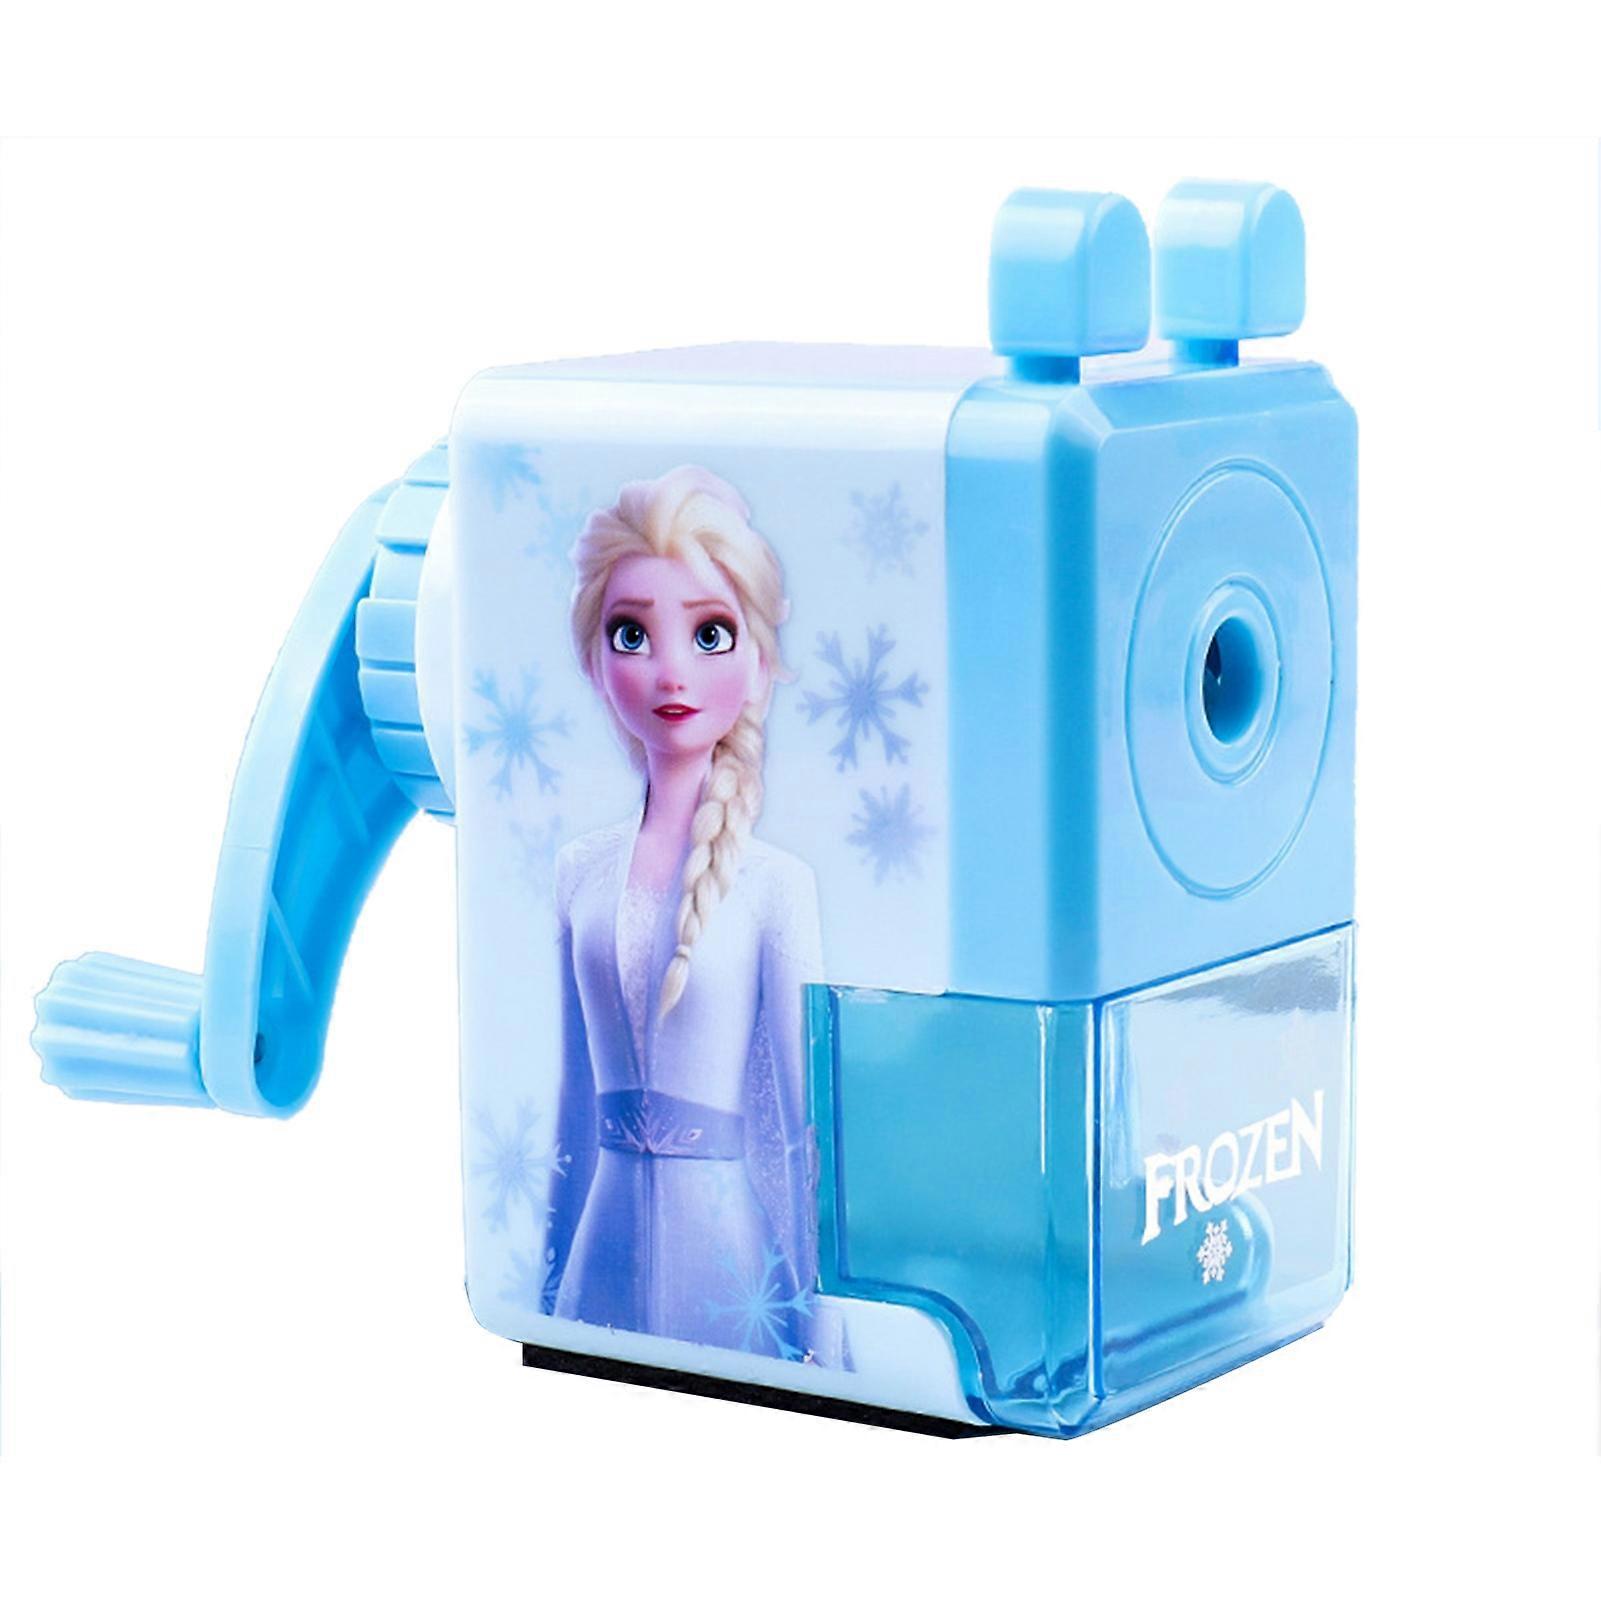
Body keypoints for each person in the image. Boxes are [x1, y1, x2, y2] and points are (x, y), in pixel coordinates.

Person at [546, 466, 830, 1364]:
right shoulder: (578, 872)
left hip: (727, 1264)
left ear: (758, 663)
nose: (672, 670)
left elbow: (806, 1130)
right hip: (600, 1250)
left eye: (710, 633)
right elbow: (569, 1109)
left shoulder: (775, 886)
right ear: (595, 660)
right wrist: (542, 1291)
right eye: (631, 633)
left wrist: (825, 1316)